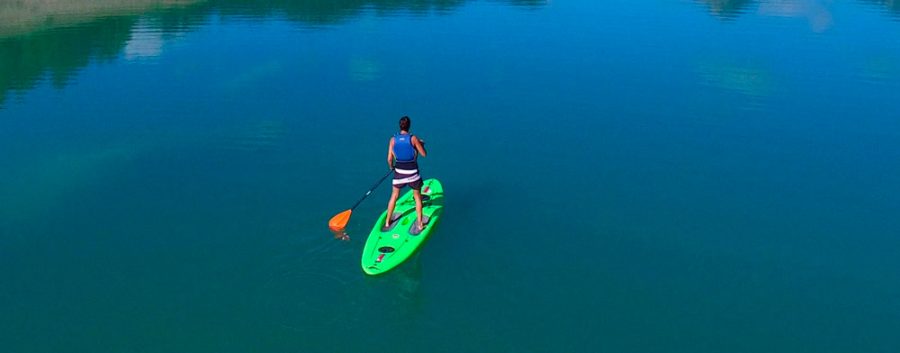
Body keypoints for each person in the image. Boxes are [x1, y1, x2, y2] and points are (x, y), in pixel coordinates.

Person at [385, 116, 428, 230]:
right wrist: (421, 144)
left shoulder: (393, 139)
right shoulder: (413, 138)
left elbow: (389, 159)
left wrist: (391, 167)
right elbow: (424, 154)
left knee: (394, 196)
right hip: (413, 173)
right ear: (409, 126)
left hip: (399, 173)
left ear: (400, 126)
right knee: (417, 197)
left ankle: (387, 222)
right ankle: (419, 224)